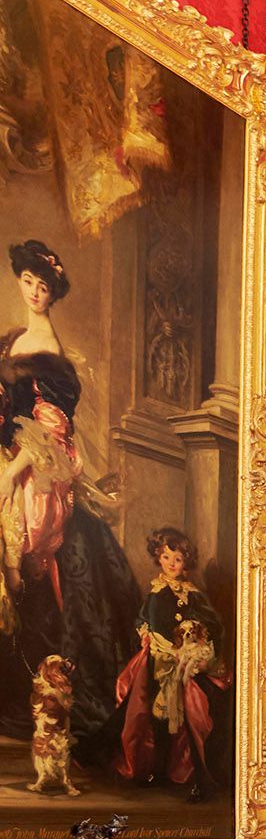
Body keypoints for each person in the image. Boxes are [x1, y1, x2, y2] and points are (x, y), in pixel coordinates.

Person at [0, 239, 141, 760]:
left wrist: (13, 471)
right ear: (19, 281)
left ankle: (46, 701)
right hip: (8, 456)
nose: (35, 291)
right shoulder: (12, 339)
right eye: (29, 282)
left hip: (34, 469)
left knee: (27, 563)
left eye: (44, 286)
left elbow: (50, 427)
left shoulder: (49, 352)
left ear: (53, 294)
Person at [110, 528, 229, 800]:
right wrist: (143, 633)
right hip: (157, 663)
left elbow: (215, 627)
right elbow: (142, 620)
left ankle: (199, 777)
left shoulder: (193, 595)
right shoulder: (154, 591)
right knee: (155, 718)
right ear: (158, 558)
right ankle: (156, 771)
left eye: (177, 558)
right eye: (166, 557)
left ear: (186, 561)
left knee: (191, 717)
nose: (171, 563)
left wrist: (201, 649)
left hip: (186, 663)